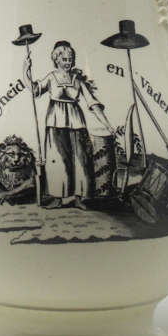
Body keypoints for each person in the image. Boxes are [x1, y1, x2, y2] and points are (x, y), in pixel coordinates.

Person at [24, 40, 113, 209]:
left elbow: (92, 103)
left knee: (80, 160)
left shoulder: (77, 80)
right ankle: (57, 198)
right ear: (56, 59)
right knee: (57, 160)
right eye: (64, 59)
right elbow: (35, 90)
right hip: (55, 123)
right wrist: (25, 70)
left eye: (70, 59)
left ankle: (79, 198)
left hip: (77, 123)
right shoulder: (51, 77)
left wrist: (107, 124)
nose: (68, 62)